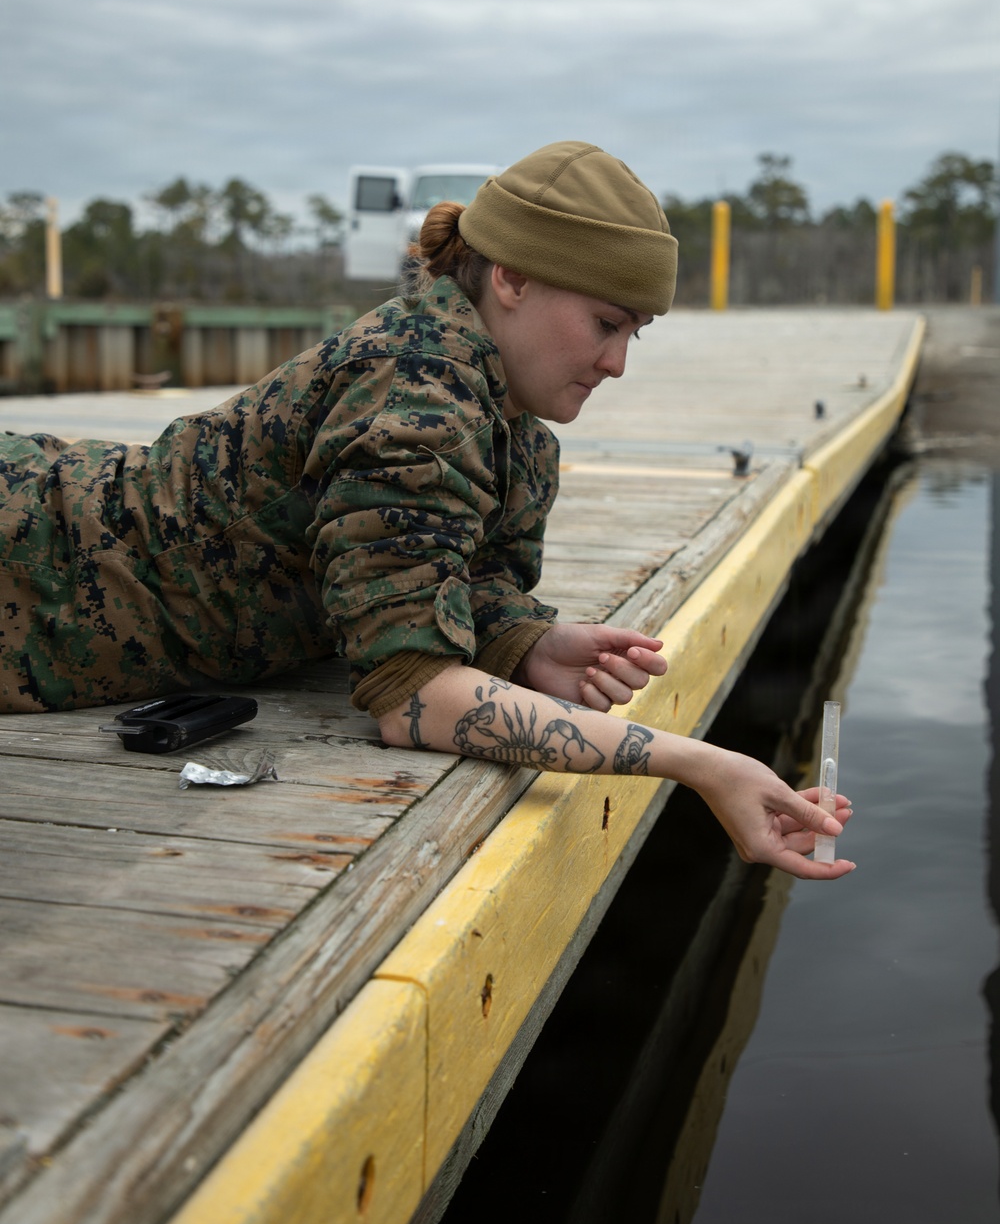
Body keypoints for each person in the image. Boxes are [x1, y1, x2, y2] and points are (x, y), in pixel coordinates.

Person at [0, 141, 852, 879]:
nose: (618, 362)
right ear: (511, 277)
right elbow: (416, 701)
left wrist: (524, 637)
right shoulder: (417, 386)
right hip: (35, 573)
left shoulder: (515, 428)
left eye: (636, 331)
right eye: (604, 323)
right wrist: (702, 766)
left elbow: (427, 575)